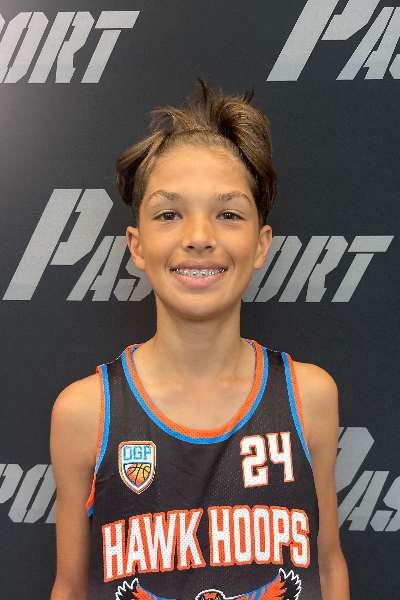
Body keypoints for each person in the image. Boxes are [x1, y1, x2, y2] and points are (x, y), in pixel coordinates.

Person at [50, 81, 350, 600]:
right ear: (137, 246)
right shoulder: (85, 413)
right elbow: (72, 586)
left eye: (228, 214)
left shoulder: (309, 398)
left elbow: (327, 567)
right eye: (169, 214)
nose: (199, 237)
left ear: (261, 244)